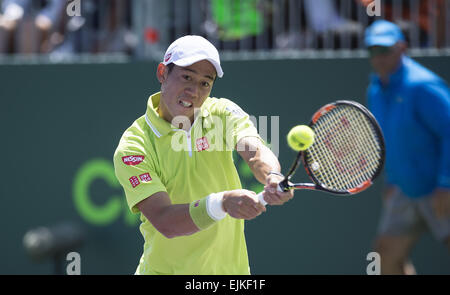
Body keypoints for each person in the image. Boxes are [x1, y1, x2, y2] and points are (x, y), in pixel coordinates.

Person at [113, 35, 293, 275]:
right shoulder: (134, 146)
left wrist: (272, 175)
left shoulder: (222, 112)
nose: (194, 91)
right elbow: (165, 220)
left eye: (205, 83)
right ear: (162, 73)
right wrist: (223, 202)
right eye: (187, 77)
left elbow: (254, 151)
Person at [364, 20, 450, 275]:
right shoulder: (376, 89)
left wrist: (446, 184)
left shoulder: (422, 86)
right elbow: (389, 139)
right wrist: (392, 180)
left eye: (384, 50)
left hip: (439, 187)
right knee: (384, 256)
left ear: (401, 48)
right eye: (373, 51)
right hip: (403, 189)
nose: (378, 57)